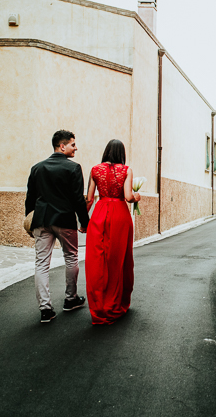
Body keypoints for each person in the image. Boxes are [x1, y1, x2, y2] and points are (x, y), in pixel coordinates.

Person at [25, 130, 89, 323]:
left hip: (42, 221)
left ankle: (45, 310)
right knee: (71, 257)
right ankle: (70, 299)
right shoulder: (73, 168)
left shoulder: (37, 168)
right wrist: (84, 222)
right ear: (62, 146)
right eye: (72, 144)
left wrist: (29, 221)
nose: (76, 148)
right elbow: (78, 199)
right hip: (64, 220)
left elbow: (30, 198)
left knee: (41, 264)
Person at [85, 139, 140, 325]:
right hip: (120, 216)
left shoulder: (95, 170)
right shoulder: (126, 170)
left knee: (97, 260)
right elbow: (128, 197)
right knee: (118, 260)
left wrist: (83, 222)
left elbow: (89, 199)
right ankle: (115, 303)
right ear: (121, 153)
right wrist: (137, 196)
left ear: (106, 151)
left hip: (100, 214)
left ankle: (99, 305)